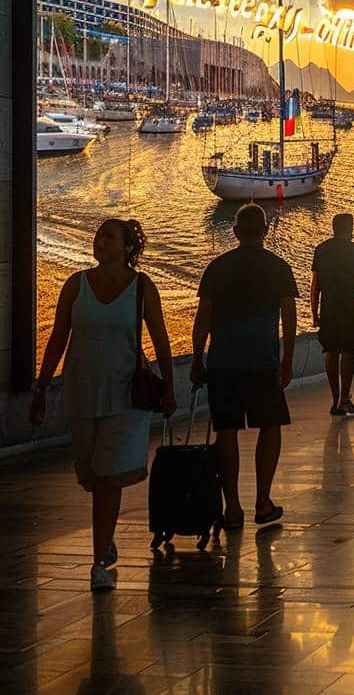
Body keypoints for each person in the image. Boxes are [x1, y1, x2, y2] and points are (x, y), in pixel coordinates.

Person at [30, 219, 175, 591]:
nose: (100, 241)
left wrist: (170, 389)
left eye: (108, 237)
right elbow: (58, 337)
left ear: (128, 247)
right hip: (82, 390)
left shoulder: (142, 287)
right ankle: (104, 536)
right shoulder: (75, 285)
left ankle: (97, 564)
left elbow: (160, 340)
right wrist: (42, 387)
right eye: (98, 236)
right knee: (91, 473)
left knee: (110, 476)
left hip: (125, 394)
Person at [191, 203, 297, 529]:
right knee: (270, 427)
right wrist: (287, 359)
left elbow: (203, 319)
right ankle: (263, 501)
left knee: (227, 432)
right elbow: (289, 319)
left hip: (224, 362)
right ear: (265, 231)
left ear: (235, 232)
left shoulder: (217, 268)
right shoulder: (278, 267)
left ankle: (232, 507)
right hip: (263, 360)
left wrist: (198, 358)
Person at [311, 213, 354, 417]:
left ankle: (335, 401)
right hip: (350, 308)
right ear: (349, 227)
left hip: (329, 308)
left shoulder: (321, 250)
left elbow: (316, 284)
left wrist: (314, 312)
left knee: (330, 352)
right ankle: (345, 398)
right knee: (348, 353)